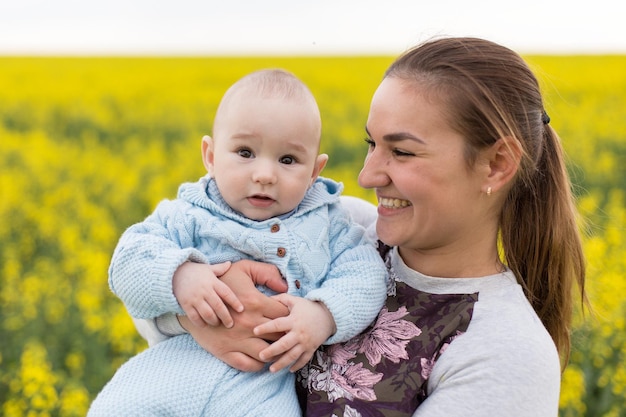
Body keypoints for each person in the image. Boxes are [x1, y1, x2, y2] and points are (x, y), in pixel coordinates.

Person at [157, 37, 587, 416]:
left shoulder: (508, 353)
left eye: (401, 152)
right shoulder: (343, 226)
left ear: (496, 165)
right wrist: (198, 308)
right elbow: (150, 299)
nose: (367, 176)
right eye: (372, 144)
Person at [87, 69, 388, 416]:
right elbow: (128, 258)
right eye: (245, 152)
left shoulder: (330, 224)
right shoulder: (190, 213)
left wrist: (323, 316)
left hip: (264, 386)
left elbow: (365, 275)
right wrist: (181, 276)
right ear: (211, 156)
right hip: (175, 368)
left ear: (314, 172)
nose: (264, 174)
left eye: (288, 160)